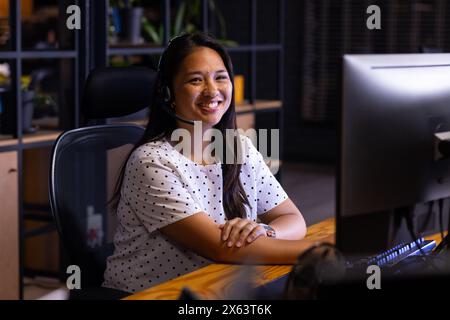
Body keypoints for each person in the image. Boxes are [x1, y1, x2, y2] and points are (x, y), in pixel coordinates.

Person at [103, 32, 324, 294]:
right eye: (196, 80)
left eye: (220, 77)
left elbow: (291, 218)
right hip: (153, 294)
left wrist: (264, 232)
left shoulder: (238, 147)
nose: (212, 91)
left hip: (216, 285)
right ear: (168, 93)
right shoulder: (152, 162)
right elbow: (221, 247)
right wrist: (322, 252)